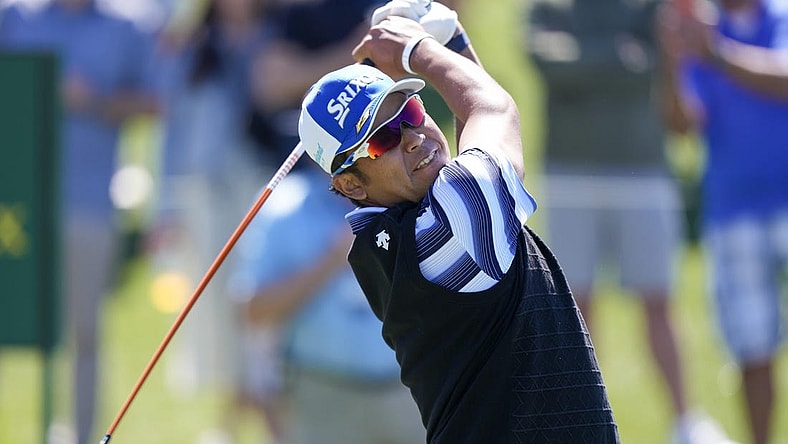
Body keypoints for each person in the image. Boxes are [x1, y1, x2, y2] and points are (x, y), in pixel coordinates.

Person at [295, 4, 620, 442]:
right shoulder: (445, 233)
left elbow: (475, 130)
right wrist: (421, 50)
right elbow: (492, 109)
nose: (412, 138)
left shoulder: (388, 235)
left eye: (409, 112)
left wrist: (454, 43)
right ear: (351, 185)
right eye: (382, 140)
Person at [523, 2, 733, 443]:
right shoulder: (550, 4)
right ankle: (577, 420)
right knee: (573, 306)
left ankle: (684, 422)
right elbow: (546, 61)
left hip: (644, 172)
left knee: (659, 299)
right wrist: (622, 56)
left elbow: (657, 62)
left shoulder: (652, 5)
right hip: (569, 175)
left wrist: (586, 58)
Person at [0, 0, 160, 443]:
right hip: (15, 203)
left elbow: (155, 101)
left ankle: (82, 437)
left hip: (88, 201)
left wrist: (94, 100)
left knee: (84, 332)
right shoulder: (15, 18)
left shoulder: (128, 27)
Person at [659, 1, 788, 443]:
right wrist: (671, 62)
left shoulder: (779, 16)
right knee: (754, 351)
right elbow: (682, 125)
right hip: (733, 211)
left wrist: (715, 52)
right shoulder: (700, 30)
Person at [229, 164, 426, 444]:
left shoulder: (415, 193)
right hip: (323, 395)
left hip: (412, 390)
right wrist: (331, 259)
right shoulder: (282, 206)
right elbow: (252, 310)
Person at [150, 0, 273, 405]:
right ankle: (230, 416)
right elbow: (172, 132)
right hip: (203, 193)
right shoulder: (192, 46)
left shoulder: (277, 35)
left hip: (261, 189)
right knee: (214, 308)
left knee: (258, 297)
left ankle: (263, 402)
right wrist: (165, 210)